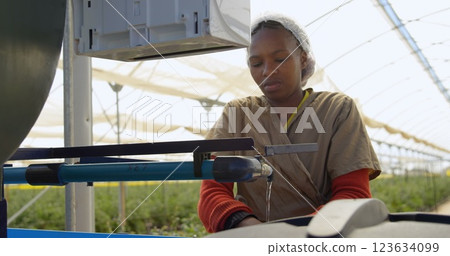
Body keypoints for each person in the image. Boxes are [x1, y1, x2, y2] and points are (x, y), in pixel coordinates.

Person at [197, 13, 381, 233]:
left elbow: (352, 194)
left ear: (303, 58)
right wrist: (251, 229)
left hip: (322, 237)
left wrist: (294, 234)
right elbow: (212, 193)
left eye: (280, 59)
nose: (267, 71)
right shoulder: (238, 113)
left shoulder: (337, 109)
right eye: (256, 63)